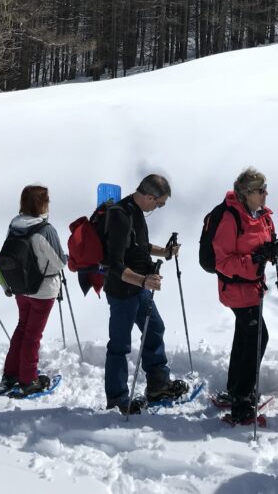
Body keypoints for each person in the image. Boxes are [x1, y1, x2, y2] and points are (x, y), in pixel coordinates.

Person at [103, 174, 188, 413]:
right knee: (120, 344)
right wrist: (143, 280)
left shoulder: (136, 211)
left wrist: (165, 252)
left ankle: (158, 384)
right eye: (159, 203)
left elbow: (140, 245)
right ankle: (118, 397)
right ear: (149, 196)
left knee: (155, 328)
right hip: (122, 291)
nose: (158, 207)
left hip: (139, 288)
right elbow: (115, 264)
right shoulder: (120, 215)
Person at [210, 168, 278, 425]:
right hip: (239, 291)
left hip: (253, 288)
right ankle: (242, 402)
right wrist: (254, 261)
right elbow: (223, 261)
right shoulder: (231, 218)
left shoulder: (259, 214)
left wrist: (272, 250)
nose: (265, 194)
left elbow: (261, 244)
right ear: (247, 193)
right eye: (261, 190)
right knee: (256, 340)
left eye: (265, 188)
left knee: (246, 338)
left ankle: (236, 390)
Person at [0, 185, 67, 397]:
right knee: (33, 335)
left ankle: (10, 375)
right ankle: (28, 380)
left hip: (20, 286)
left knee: (22, 328)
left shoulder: (14, 225)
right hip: (43, 290)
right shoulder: (45, 229)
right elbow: (58, 263)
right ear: (42, 203)